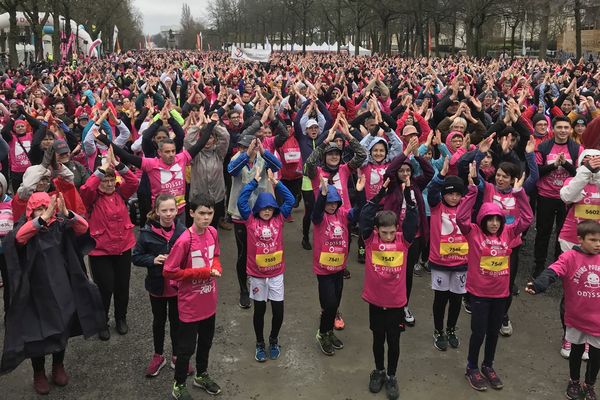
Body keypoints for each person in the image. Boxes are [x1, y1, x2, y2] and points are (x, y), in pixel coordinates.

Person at [0, 192, 104, 395]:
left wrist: (66, 213)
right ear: (30, 211)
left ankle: (58, 366)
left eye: (46, 208)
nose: (44, 212)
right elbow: (18, 239)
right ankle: (38, 373)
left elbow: (83, 228)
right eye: (38, 209)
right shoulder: (25, 228)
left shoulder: (60, 225)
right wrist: (42, 218)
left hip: (61, 288)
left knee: (62, 326)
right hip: (35, 293)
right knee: (36, 334)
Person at [457, 162, 533, 391]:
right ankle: (472, 367)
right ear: (482, 220)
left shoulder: (509, 233)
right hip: (479, 293)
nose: (493, 223)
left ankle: (488, 365)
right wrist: (471, 190)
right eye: (489, 219)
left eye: (497, 219)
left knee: (492, 333)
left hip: (500, 294)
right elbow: (461, 218)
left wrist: (519, 193)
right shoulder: (473, 233)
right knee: (478, 332)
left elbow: (527, 219)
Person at [527, 220, 600, 400]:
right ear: (580, 239)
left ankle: (589, 384)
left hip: (598, 320)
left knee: (596, 356)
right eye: (593, 240)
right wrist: (539, 284)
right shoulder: (569, 257)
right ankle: (574, 381)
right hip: (576, 317)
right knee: (576, 351)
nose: (598, 244)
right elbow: (554, 271)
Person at [359, 177, 417, 400]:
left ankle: (392, 375)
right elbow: (364, 215)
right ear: (377, 230)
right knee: (377, 338)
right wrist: (380, 193)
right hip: (375, 301)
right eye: (385, 232)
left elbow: (412, 219)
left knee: (394, 341)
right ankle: (379, 371)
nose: (390, 236)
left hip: (396, 303)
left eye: (392, 232)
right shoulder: (370, 240)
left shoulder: (404, 241)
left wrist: (409, 190)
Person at [163, 195, 222, 400]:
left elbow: (215, 257)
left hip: (209, 302)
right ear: (191, 213)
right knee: (186, 348)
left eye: (210, 213)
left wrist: (216, 267)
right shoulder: (184, 240)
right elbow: (169, 271)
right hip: (190, 305)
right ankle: (178, 385)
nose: (206, 218)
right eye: (202, 213)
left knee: (206, 342)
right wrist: (202, 273)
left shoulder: (213, 233)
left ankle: (201, 375)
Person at [79, 148, 139, 340]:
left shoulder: (122, 194)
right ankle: (101, 322)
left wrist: (118, 165)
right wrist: (102, 169)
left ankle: (121, 318)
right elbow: (86, 188)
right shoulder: (92, 198)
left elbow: (133, 181)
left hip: (123, 247)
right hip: (100, 251)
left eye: (111, 180)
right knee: (104, 288)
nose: (108, 184)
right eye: (104, 181)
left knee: (122, 286)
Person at [237, 168, 294, 362]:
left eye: (270, 207)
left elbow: (290, 201)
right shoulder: (250, 220)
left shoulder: (279, 219)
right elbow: (241, 201)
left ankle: (273, 339)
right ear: (257, 210)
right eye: (264, 208)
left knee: (278, 311)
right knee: (259, 311)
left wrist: (276, 183)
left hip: (277, 274)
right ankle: (260, 342)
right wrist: (254, 182)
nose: (267, 210)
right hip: (257, 275)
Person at [132, 194, 190, 377]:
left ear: (177, 210)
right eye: (164, 210)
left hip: (176, 288)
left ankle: (176, 356)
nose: (168, 214)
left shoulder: (183, 231)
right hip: (156, 287)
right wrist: (153, 259)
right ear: (156, 211)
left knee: (177, 322)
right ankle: (158, 356)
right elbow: (136, 257)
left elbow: (190, 256)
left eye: (172, 210)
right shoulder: (146, 233)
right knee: (158, 322)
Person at [312, 174, 365, 356]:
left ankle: (328, 332)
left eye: (335, 202)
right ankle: (321, 333)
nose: (332, 205)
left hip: (339, 269)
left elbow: (359, 211)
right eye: (329, 202)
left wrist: (359, 193)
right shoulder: (319, 219)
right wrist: (323, 196)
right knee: (329, 304)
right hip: (324, 270)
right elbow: (318, 210)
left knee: (335, 304)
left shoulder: (343, 215)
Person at [227, 135, 282, 309]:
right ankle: (244, 288)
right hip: (240, 214)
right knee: (244, 252)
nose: (247, 150)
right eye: (243, 147)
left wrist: (263, 151)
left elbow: (277, 166)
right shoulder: (237, 159)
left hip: (261, 211)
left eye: (250, 147)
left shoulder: (263, 159)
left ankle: (261, 282)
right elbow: (232, 171)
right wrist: (246, 154)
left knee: (263, 248)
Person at [426, 157, 468, 351]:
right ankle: (438, 330)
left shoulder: (465, 209)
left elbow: (477, 193)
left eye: (458, 195)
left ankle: (451, 329)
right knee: (440, 299)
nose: (454, 198)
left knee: (456, 299)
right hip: (440, 262)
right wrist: (442, 174)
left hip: (461, 262)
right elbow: (433, 190)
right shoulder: (436, 206)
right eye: (450, 194)